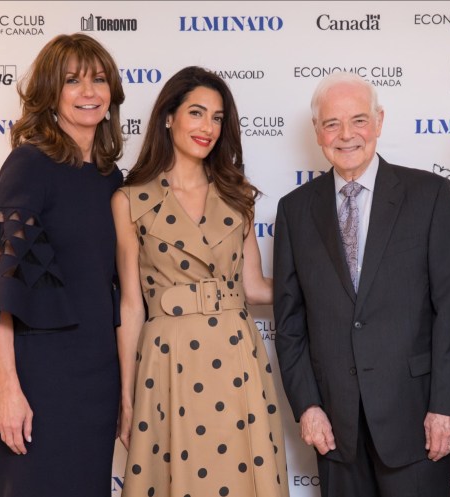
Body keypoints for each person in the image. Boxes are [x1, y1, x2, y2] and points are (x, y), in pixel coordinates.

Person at [273, 71, 450, 497]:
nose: (346, 135)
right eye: (332, 123)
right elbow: (289, 322)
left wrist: (445, 406)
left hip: (416, 419)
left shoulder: (430, 195)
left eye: (358, 120)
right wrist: (308, 406)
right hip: (334, 426)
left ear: (379, 121)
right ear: (317, 131)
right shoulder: (294, 210)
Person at [0, 33, 124, 497]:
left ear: (111, 92)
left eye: (98, 79)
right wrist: (9, 390)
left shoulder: (112, 178)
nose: (88, 92)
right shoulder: (29, 165)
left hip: (99, 376)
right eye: (72, 81)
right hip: (39, 378)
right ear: (51, 92)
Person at [113, 65, 289, 497]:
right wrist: (127, 396)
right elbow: (131, 305)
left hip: (235, 355)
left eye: (217, 118)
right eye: (196, 113)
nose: (207, 127)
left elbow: (253, 287)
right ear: (168, 117)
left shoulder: (237, 194)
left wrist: (324, 286)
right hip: (168, 360)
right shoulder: (130, 200)